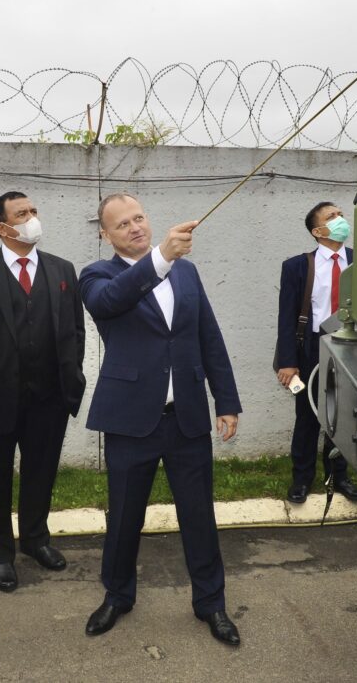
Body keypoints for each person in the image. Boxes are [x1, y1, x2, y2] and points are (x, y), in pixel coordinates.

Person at [79, 192, 242, 646]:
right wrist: (161, 258)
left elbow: (209, 336)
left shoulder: (187, 272)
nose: (134, 227)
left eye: (139, 218)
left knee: (199, 516)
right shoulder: (96, 275)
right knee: (124, 517)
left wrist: (226, 400)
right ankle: (117, 596)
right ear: (105, 235)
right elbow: (111, 301)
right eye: (122, 224)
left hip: (186, 418)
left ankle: (211, 603)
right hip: (130, 421)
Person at [0, 191, 86, 591]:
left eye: (33, 210)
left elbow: (75, 330)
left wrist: (71, 379)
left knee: (41, 472)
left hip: (49, 397)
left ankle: (35, 539)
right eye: (21, 214)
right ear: (2, 227)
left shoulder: (62, 269)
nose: (32, 218)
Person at [275, 202, 357, 504]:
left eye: (340, 214)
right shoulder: (297, 267)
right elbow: (286, 318)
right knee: (308, 414)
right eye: (332, 217)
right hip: (312, 347)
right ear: (318, 231)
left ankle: (340, 476)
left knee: (344, 414)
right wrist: (288, 362)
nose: (340, 219)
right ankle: (301, 479)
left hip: (351, 345)